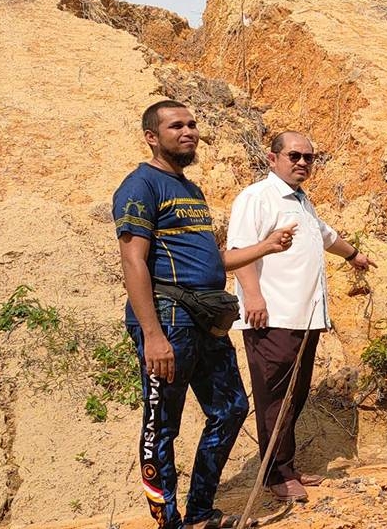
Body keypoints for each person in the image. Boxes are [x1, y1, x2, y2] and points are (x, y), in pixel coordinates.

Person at [114, 100, 296, 529]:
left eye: (193, 124)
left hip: (206, 319)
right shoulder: (140, 186)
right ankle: (169, 522)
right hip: (168, 318)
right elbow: (133, 262)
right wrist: (152, 335)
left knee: (231, 408)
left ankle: (200, 512)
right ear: (151, 137)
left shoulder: (191, 191)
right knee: (162, 425)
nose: (189, 131)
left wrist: (265, 247)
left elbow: (211, 261)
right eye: (177, 125)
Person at [228, 131, 376, 502]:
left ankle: (286, 468)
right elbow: (239, 250)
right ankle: (276, 476)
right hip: (272, 316)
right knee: (274, 396)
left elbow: (326, 236)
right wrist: (253, 295)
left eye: (310, 157)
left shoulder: (301, 201)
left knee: (293, 395)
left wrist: (353, 255)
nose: (303, 163)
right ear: (272, 157)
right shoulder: (257, 197)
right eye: (295, 155)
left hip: (304, 318)